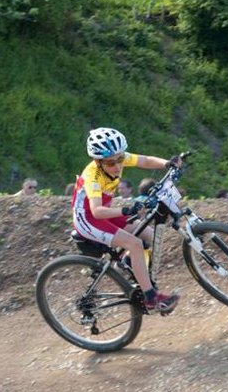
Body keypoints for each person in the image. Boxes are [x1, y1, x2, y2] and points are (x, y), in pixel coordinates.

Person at [72, 127, 181, 313]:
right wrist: (125, 209)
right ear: (98, 162)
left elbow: (144, 160)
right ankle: (150, 298)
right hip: (89, 219)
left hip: (105, 212)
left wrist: (167, 164)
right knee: (135, 244)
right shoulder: (93, 177)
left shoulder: (115, 157)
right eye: (110, 163)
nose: (117, 166)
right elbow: (96, 211)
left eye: (120, 159)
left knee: (150, 235)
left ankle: (132, 265)